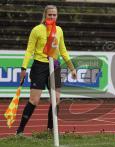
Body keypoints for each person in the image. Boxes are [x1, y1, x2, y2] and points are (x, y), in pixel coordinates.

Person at [16, 5, 77, 135]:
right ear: (45, 15)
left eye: (54, 15)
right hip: (40, 66)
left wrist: (72, 68)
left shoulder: (59, 30)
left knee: (56, 99)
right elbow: (29, 51)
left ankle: (51, 130)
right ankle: (20, 130)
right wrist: (23, 67)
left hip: (54, 66)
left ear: (57, 16)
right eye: (50, 15)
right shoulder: (37, 30)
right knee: (34, 100)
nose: (52, 17)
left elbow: (63, 50)